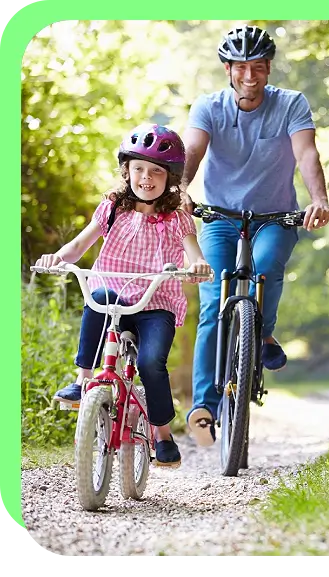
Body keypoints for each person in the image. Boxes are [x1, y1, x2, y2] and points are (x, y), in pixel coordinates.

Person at [179, 24, 329, 447]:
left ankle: (261, 332)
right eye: (242, 68)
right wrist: (181, 190)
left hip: (275, 216)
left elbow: (306, 153)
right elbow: (193, 150)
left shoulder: (291, 104)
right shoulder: (208, 107)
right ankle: (203, 407)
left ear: (268, 70)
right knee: (214, 299)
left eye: (259, 68)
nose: (251, 76)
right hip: (220, 217)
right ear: (228, 69)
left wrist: (318, 199)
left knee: (266, 268)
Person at [35, 123, 213, 468]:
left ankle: (162, 434)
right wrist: (57, 259)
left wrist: (199, 266)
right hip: (114, 297)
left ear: (170, 177)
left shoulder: (177, 218)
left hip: (155, 304)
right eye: (139, 169)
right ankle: (83, 379)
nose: (146, 178)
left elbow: (194, 253)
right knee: (97, 295)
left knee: (149, 363)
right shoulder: (113, 207)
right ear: (127, 171)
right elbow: (79, 245)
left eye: (156, 171)